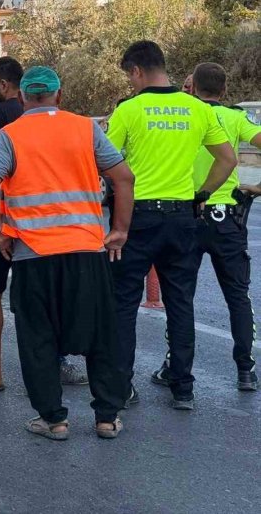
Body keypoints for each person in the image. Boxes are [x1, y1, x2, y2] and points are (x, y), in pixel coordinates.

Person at [0, 66, 135, 440]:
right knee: (101, 334)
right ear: (58, 96)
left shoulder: (9, 135)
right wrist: (120, 230)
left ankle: (54, 420)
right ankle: (107, 418)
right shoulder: (85, 128)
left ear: (22, 98)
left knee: (38, 337)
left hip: (33, 254)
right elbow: (123, 177)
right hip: (86, 250)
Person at [105, 41, 237, 410]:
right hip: (182, 217)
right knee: (180, 302)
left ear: (136, 71)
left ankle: (121, 387)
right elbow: (227, 159)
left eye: (128, 77)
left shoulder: (130, 110)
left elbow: (105, 162)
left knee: (123, 303)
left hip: (138, 218)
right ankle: (183, 387)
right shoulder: (197, 109)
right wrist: (203, 193)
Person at [0, 56, 87, 390]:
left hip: (2, 220)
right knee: (45, 296)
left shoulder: (0, 115)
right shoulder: (60, 122)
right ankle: (56, 363)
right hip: (43, 223)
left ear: (9, 88)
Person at [151, 63, 260, 392]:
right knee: (238, 296)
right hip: (226, 218)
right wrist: (255, 188)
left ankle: (176, 367)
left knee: (180, 296)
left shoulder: (185, 117)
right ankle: (246, 370)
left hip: (186, 214)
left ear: (192, 87)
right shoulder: (235, 118)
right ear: (225, 91)